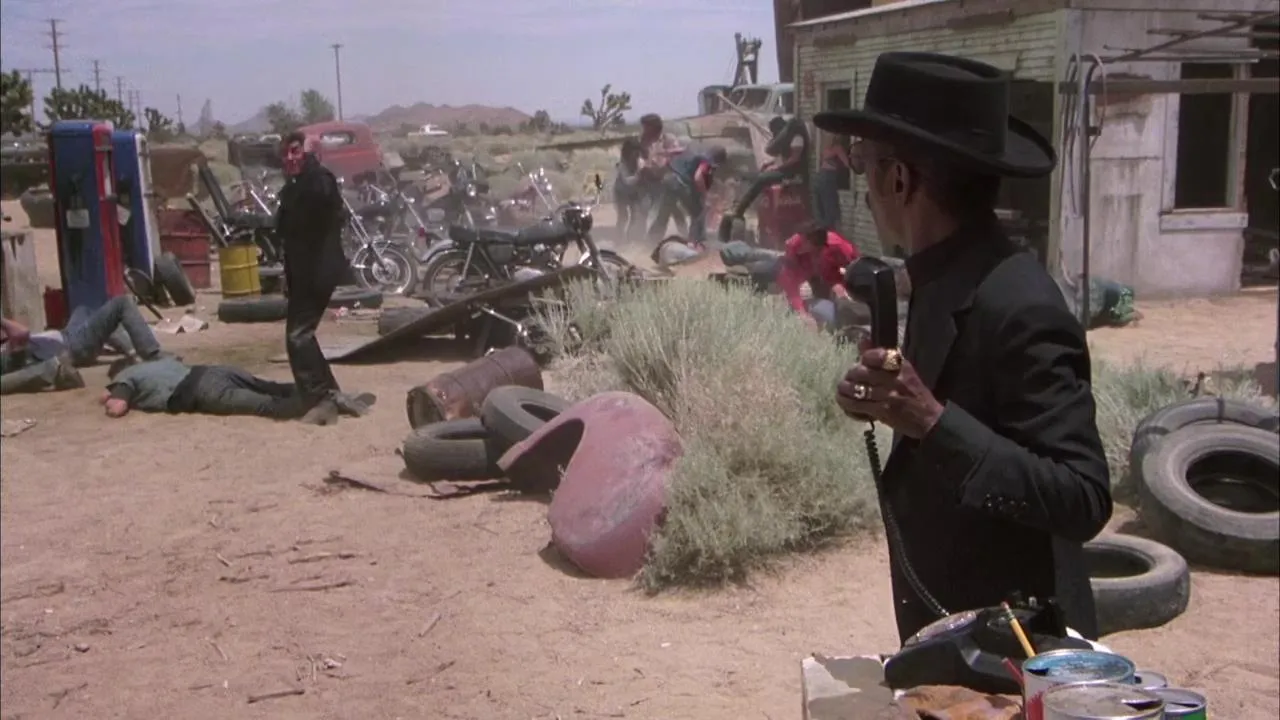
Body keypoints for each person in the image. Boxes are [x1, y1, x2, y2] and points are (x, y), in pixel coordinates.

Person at [818, 52, 1112, 643]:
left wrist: (930, 421)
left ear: (897, 179)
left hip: (1024, 652)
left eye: (863, 162)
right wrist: (887, 402)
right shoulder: (941, 276)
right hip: (963, 635)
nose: (863, 184)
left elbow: (1083, 497)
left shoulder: (1021, 303)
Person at [275, 131, 365, 425]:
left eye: (295, 151)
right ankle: (331, 393)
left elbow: (323, 199)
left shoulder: (319, 180)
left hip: (317, 271)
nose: (290, 158)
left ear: (309, 152)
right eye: (286, 153)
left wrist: (310, 160)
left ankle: (319, 400)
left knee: (298, 337)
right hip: (304, 273)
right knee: (303, 335)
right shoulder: (295, 186)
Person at [100, 355, 376, 420]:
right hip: (214, 370)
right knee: (272, 387)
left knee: (266, 406)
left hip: (201, 391)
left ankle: (326, 404)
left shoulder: (126, 378)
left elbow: (117, 407)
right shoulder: (158, 362)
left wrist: (109, 396)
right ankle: (330, 393)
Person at [1, 296, 164, 395]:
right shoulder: (10, 357)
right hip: (71, 346)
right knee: (122, 303)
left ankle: (128, 348)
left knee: (83, 310)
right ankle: (153, 356)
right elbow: (21, 332)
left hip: (64, 335)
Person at [775, 223, 860, 332]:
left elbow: (856, 266)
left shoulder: (838, 245)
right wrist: (802, 313)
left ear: (817, 246)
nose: (801, 245)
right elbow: (790, 282)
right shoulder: (794, 246)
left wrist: (845, 289)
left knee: (842, 303)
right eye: (802, 240)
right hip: (809, 275)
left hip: (832, 275)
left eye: (805, 242)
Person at [728, 115, 811, 220]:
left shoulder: (797, 138)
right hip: (785, 170)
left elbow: (795, 159)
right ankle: (739, 204)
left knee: (762, 179)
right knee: (750, 177)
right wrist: (769, 164)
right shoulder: (787, 138)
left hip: (794, 173)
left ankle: (740, 210)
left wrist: (777, 167)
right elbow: (782, 156)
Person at [648, 145, 728, 247]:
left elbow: (679, 150)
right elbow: (698, 177)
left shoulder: (694, 150)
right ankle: (693, 242)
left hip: (670, 179)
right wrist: (704, 194)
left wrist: (663, 152)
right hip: (682, 184)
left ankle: (652, 240)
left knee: (664, 213)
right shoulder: (707, 161)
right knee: (698, 213)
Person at [637, 114, 687, 236]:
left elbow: (680, 151)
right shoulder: (643, 140)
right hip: (648, 178)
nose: (644, 129)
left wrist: (664, 153)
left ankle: (685, 233)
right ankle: (642, 236)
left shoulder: (667, 138)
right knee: (644, 207)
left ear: (654, 126)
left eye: (647, 126)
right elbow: (640, 156)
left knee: (674, 208)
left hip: (666, 178)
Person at [813, 131, 852, 229]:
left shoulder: (825, 148)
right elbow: (848, 164)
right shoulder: (838, 148)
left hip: (820, 176)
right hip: (829, 177)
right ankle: (830, 232)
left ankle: (823, 232)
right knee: (831, 209)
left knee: (822, 210)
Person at [613, 137, 648, 241]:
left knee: (635, 216)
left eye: (637, 150)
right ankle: (619, 238)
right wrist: (639, 173)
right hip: (621, 192)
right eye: (634, 151)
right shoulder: (622, 164)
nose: (636, 153)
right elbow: (627, 181)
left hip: (634, 192)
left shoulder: (640, 161)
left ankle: (630, 238)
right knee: (623, 216)